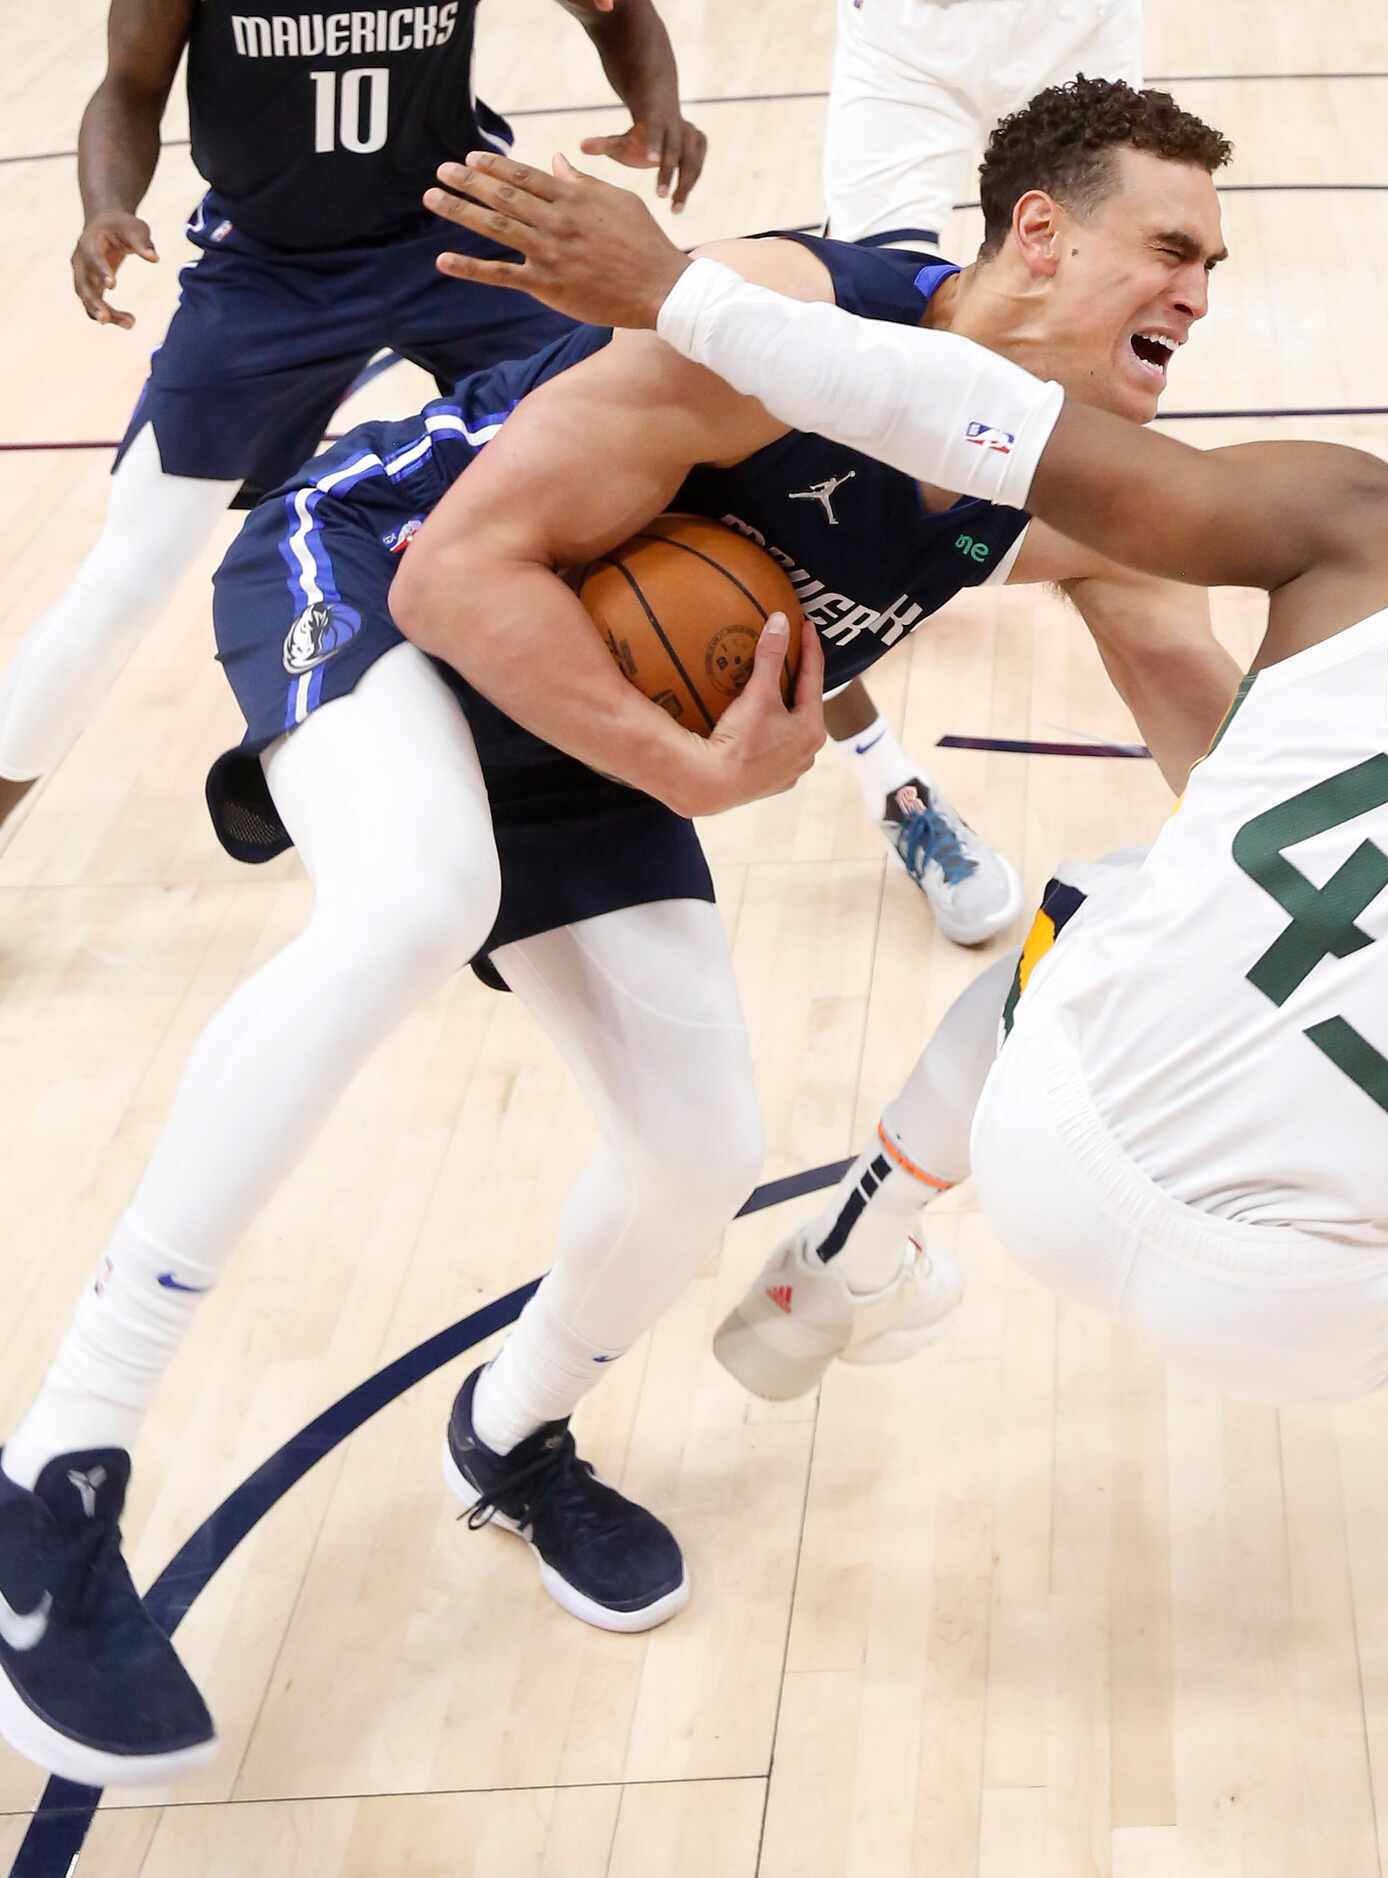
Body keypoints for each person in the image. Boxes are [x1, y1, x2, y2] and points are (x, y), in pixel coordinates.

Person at [430, 155, 1388, 1759]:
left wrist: (678, 291)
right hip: (1307, 1318)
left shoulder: (1372, 528)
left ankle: (838, 1263)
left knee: (1107, 911)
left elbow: (977, 426)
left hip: (1042, 1159)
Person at [0, 76, 1237, 1790]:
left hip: (577, 702)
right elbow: (454, 581)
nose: (1197, 288)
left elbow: (1218, 744)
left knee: (695, 1147)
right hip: (384, 574)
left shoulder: (1072, 486)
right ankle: (55, 1466)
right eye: (1170, 247)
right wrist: (689, 770)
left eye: (1213, 262)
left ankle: (507, 1435)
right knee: (415, 897)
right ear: (1041, 232)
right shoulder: (777, 324)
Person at [0, 0, 708, 835]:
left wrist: (654, 106)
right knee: (127, 574)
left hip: (457, 231)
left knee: (668, 444)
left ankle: (871, 766)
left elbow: (613, 11)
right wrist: (104, 206)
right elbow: (129, 84)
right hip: (267, 274)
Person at [814, 0, 1147, 945]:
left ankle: (1252, 852)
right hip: (911, 30)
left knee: (1118, 498)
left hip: (1077, 25)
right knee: (868, 374)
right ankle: (891, 780)